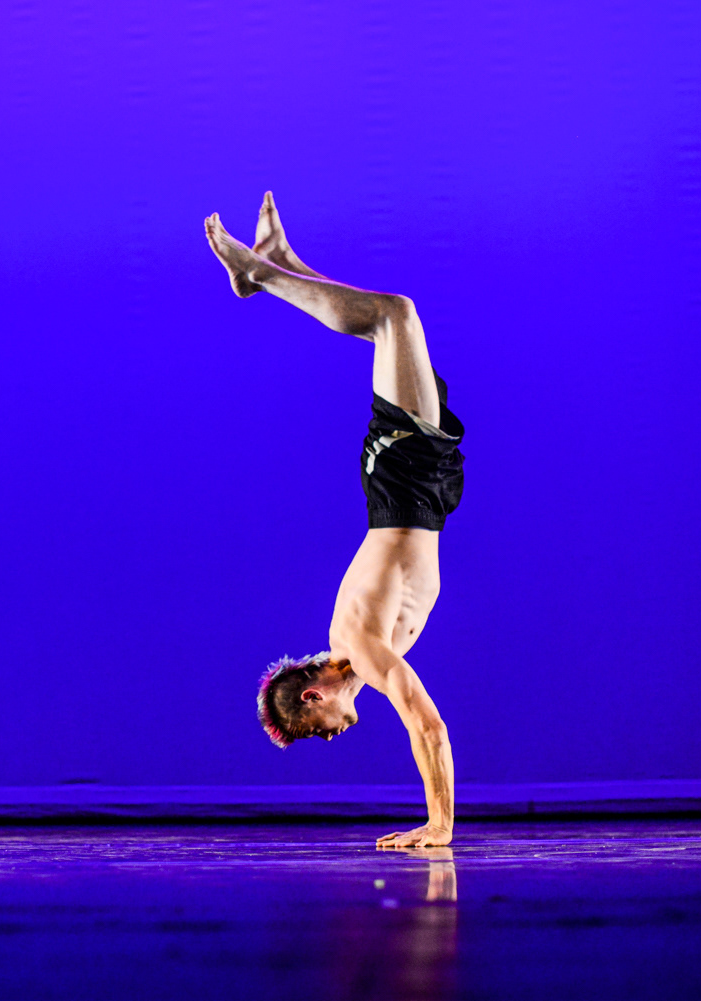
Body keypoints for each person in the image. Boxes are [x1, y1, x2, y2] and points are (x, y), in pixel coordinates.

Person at [204, 193, 465, 848]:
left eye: (317, 730)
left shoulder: (357, 645)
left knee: (394, 315)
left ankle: (261, 274)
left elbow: (427, 724)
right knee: (391, 323)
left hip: (404, 483)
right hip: (419, 495)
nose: (333, 736)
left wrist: (439, 825)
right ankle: (281, 263)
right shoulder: (354, 654)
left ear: (314, 697)